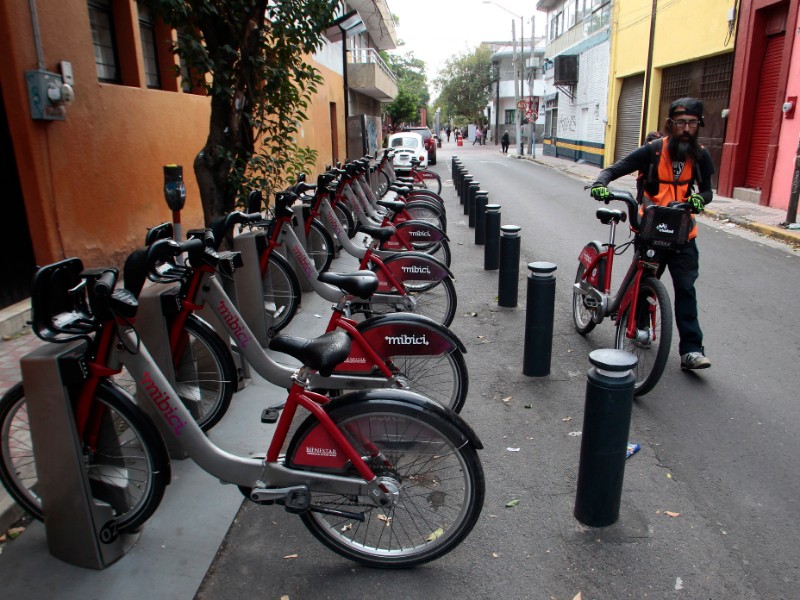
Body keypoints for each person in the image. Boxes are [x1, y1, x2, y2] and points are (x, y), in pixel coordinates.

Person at [589, 97, 713, 371]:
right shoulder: (652, 151)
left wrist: (700, 200)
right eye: (680, 122)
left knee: (686, 290)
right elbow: (614, 169)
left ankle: (691, 350)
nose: (686, 128)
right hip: (651, 229)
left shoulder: (701, 155)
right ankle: (641, 326)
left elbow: (707, 190)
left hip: (683, 234)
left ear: (698, 125)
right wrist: (600, 183)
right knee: (644, 283)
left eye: (692, 123)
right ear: (670, 124)